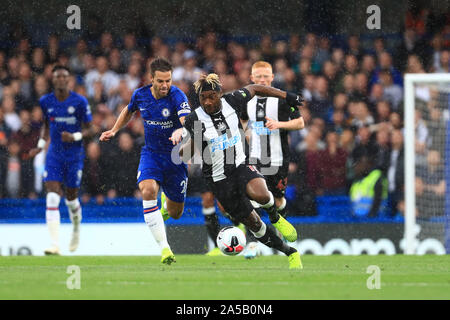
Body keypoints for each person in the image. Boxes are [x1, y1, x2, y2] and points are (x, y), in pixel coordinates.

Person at [179, 73, 302, 269]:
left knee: (261, 194)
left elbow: (255, 88)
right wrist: (186, 144)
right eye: (203, 98)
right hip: (218, 179)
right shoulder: (194, 119)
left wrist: (286, 95)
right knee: (254, 225)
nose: (208, 102)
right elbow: (185, 154)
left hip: (241, 165)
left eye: (212, 96)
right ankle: (291, 253)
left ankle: (275, 217)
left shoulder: (232, 101)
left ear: (220, 94)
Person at [100, 57, 191, 265]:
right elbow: (128, 110)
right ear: (151, 79)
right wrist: (114, 130)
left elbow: (188, 121)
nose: (165, 85)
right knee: (148, 190)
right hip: (151, 154)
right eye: (160, 81)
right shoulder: (140, 95)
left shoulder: (178, 96)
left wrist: (181, 129)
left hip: (176, 158)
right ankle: (165, 248)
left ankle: (162, 210)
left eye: (168, 80)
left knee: (176, 213)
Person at [240, 61, 304, 257]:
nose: (262, 80)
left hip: (278, 158)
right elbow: (242, 120)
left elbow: (300, 123)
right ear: (252, 78)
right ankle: (253, 243)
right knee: (253, 198)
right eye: (258, 76)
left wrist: (279, 124)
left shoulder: (283, 99)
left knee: (277, 200)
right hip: (255, 158)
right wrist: (244, 133)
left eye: (265, 76)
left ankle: (279, 231)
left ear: (272, 77)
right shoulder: (246, 100)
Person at [28, 65, 93, 255]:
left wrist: (75, 137)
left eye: (64, 76)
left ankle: (76, 228)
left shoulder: (80, 102)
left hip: (74, 155)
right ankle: (54, 244)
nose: (61, 79)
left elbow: (91, 129)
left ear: (69, 79)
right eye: (57, 77)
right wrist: (40, 145)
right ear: (53, 80)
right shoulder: (45, 101)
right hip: (54, 154)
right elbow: (46, 126)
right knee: (52, 194)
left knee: (71, 199)